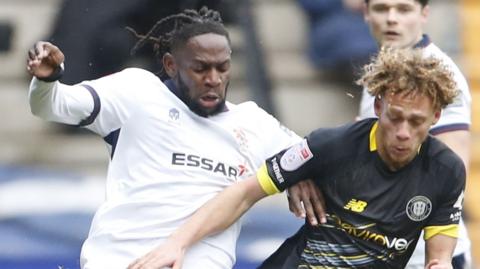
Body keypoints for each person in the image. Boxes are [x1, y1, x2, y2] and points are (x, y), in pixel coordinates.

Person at [127, 48, 466, 269]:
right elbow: (245, 192)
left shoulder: (446, 172)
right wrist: (176, 244)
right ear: (377, 107)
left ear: (435, 117)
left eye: (416, 121)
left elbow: (438, 260)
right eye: (395, 117)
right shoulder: (331, 145)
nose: (403, 132)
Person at [26, 7, 303, 269]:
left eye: (222, 67)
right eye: (200, 68)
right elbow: (51, 106)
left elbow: (315, 155)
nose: (213, 79)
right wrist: (48, 80)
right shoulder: (137, 91)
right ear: (171, 65)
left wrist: (300, 174)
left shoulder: (254, 123)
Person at [357, 0, 472, 268]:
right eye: (381, 9)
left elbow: (452, 175)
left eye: (403, 9)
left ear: (424, 14)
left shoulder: (441, 78)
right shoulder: (383, 69)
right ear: (366, 13)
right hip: (381, 249)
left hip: (427, 256)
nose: (391, 19)